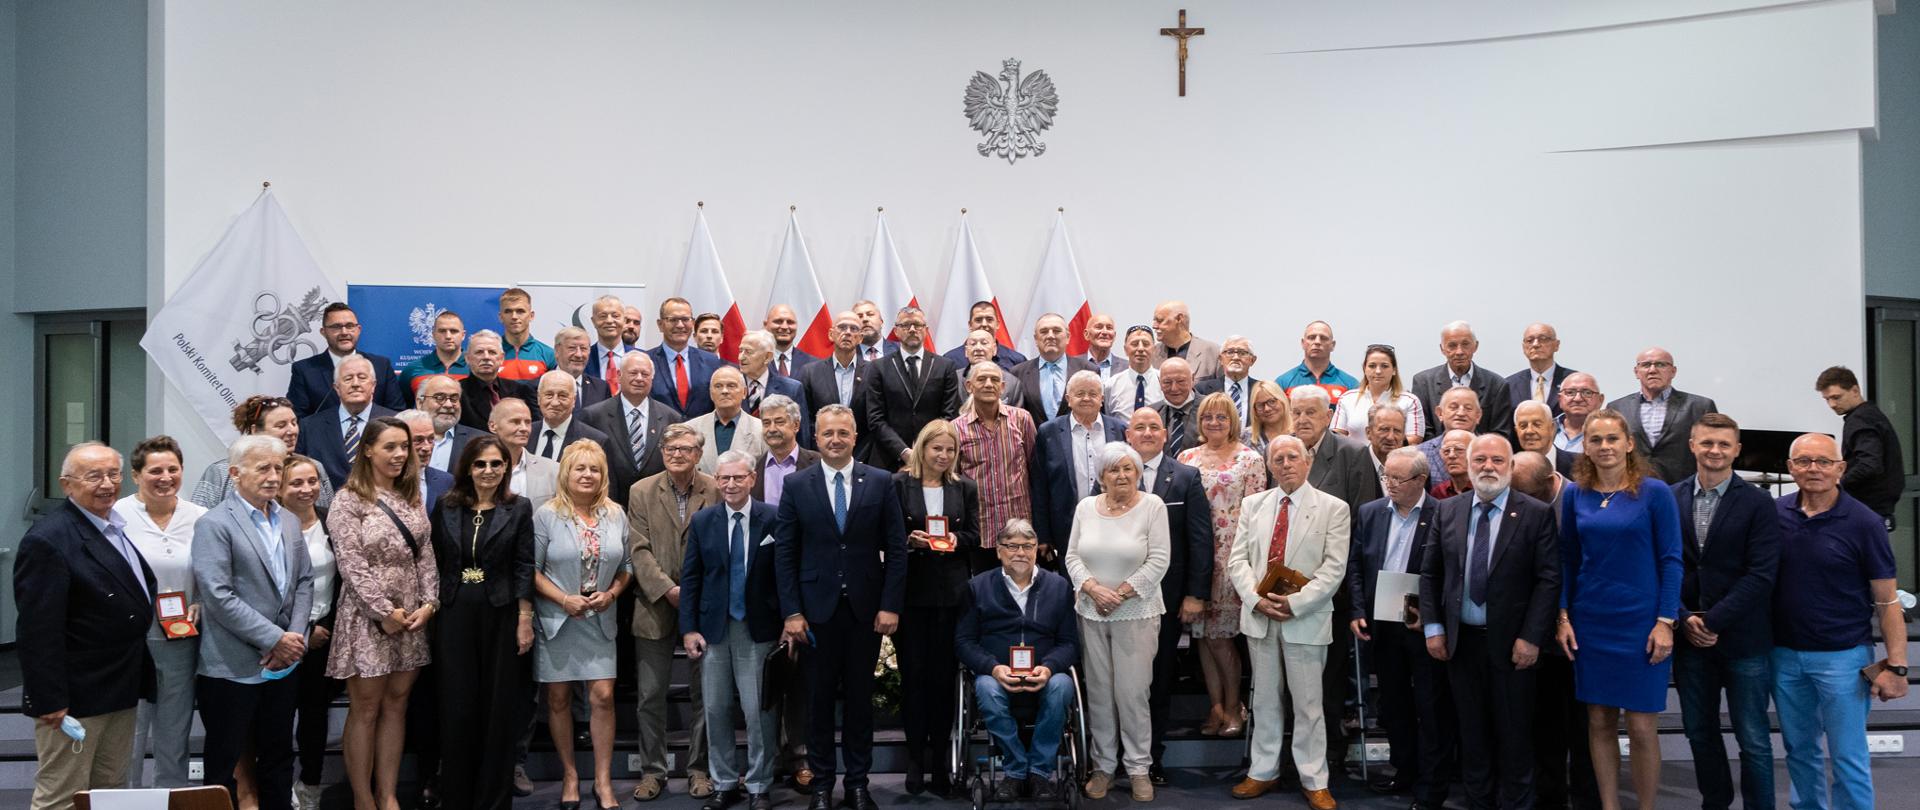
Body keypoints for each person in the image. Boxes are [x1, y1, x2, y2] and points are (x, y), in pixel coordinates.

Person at [774, 404, 909, 810]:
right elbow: (785, 552)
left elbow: (897, 550)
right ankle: (821, 787)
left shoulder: (881, 481)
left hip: (866, 612)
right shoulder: (797, 485)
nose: (835, 439)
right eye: (828, 433)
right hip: (815, 613)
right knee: (816, 704)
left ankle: (857, 784)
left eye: (843, 433)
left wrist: (890, 605)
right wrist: (792, 611)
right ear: (816, 437)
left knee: (859, 702)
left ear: (854, 437)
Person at [1420, 434, 1560, 810]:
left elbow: (1549, 580)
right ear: (1468, 466)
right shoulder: (1447, 511)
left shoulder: (1535, 513)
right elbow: (1430, 574)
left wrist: (1532, 638)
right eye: (1479, 460)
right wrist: (1434, 628)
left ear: (1511, 467)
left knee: (1515, 737)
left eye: (1497, 461)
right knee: (1473, 736)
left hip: (1514, 647)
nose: (1488, 467)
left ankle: (1517, 804)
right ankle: (1479, 802)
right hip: (1460, 644)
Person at [1771, 433, 1907, 810]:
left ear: (1841, 469)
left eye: (1823, 461)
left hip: (1844, 659)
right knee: (1799, 752)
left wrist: (1897, 664)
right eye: (1803, 461)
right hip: (1783, 656)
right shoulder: (1774, 514)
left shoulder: (1865, 523)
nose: (1813, 469)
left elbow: (1887, 599)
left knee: (1848, 757)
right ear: (1790, 468)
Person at [17, 443, 157, 810]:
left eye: (113, 474)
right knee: (62, 796)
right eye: (94, 475)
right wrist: (49, 698)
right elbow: (37, 630)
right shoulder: (49, 540)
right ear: (66, 484)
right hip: (74, 698)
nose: (107, 483)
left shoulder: (113, 526)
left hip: (119, 687)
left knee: (109, 792)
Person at [1555, 408, 1682, 810]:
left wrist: (1665, 622)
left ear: (1629, 444)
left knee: (1643, 726)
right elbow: (1568, 559)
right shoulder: (1575, 493)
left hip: (1642, 622)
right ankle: (1609, 806)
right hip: (1591, 621)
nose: (1605, 446)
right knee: (1599, 720)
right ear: (1585, 446)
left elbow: (1671, 560)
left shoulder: (1655, 492)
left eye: (1613, 438)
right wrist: (1563, 616)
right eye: (1596, 439)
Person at [192, 435, 315, 810]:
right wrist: (275, 639)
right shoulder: (214, 524)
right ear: (234, 474)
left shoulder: (289, 520)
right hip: (231, 665)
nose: (273, 476)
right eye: (263, 468)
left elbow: (304, 581)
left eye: (278, 468)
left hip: (283, 665)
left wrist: (294, 638)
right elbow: (217, 595)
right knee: (223, 762)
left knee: (278, 756)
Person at [1227, 436, 1350, 810]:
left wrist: (1294, 604)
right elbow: (1238, 561)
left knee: (1309, 704)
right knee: (1264, 700)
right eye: (1277, 458)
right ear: (1269, 465)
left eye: (1292, 456)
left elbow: (1334, 569)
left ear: (1307, 460)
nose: (1285, 464)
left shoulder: (1334, 508)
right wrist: (1256, 598)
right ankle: (1262, 771)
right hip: (1260, 617)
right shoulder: (1254, 504)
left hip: (1306, 618)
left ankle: (1314, 779)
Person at [326, 416, 438, 810]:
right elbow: (351, 564)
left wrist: (429, 604)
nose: (399, 454)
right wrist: (382, 611)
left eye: (403, 447)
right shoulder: (348, 499)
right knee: (367, 707)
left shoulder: (410, 496)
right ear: (368, 450)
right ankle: (362, 797)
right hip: (366, 618)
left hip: (410, 617)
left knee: (397, 704)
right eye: (390, 447)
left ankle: (388, 794)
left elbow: (425, 554)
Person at [1672, 414, 1780, 810]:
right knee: (1699, 732)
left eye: (1723, 444)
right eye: (1707, 443)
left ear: (1736, 450)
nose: (1714, 451)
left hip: (1743, 639)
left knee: (1752, 737)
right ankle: (1714, 803)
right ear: (1692, 445)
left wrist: (1712, 620)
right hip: (1688, 639)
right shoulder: (1670, 497)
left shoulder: (1759, 503)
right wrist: (1685, 618)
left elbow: (1762, 574)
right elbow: (1662, 566)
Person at [429, 435, 535, 810]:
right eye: (480, 464)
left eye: (496, 463)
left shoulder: (518, 508)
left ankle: (493, 800)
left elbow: (524, 564)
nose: (488, 471)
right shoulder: (446, 506)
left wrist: (525, 618)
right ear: (467, 468)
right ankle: (456, 797)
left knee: (498, 708)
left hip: (501, 613)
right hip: (454, 613)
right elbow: (436, 561)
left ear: (506, 467)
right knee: (457, 706)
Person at [1347, 447, 1452, 809]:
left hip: (1425, 626)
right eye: (1386, 476)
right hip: (1382, 622)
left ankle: (1431, 786)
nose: (1389, 484)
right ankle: (1403, 769)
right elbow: (1357, 566)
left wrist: (1431, 611)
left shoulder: (1443, 513)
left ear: (1421, 480)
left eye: (1397, 478)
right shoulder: (1371, 512)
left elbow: (1449, 573)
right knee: (1393, 705)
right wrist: (1357, 609)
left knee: (1430, 706)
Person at [1065, 442, 1169, 802]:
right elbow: (1072, 557)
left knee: (1132, 693)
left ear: (1138, 473)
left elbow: (1159, 561)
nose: (1121, 475)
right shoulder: (1085, 508)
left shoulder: (1152, 507)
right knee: (1099, 693)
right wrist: (1094, 589)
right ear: (1102, 476)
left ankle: (1139, 768)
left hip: (1136, 614)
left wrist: (1120, 593)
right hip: (1091, 612)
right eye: (1114, 470)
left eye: (1128, 469)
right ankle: (1103, 767)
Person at [533, 440, 634, 810]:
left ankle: (603, 781)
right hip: (558, 619)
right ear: (566, 473)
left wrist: (612, 594)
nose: (587, 475)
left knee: (603, 697)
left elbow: (627, 568)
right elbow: (532, 570)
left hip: (600, 618)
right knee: (558, 699)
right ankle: (571, 775)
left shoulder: (616, 514)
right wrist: (563, 599)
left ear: (603, 474)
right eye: (580, 468)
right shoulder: (546, 515)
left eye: (594, 469)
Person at [681, 451, 783, 810]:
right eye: (724, 478)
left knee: (759, 712)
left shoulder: (772, 517)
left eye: (738, 478)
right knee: (716, 709)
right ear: (716, 480)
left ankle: (758, 784)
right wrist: (689, 628)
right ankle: (724, 782)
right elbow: (691, 579)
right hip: (713, 630)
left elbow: (784, 574)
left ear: (752, 479)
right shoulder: (703, 521)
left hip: (758, 628)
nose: (730, 485)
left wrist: (790, 620)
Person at [954, 519, 1081, 802]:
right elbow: (964, 642)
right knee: (985, 688)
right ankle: (1015, 770)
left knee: (1062, 686)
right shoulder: (977, 587)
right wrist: (993, 668)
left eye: (1027, 546)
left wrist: (1048, 668)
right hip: (996, 672)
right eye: (1012, 546)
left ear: (1037, 549)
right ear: (999, 551)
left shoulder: (1058, 587)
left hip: (1045, 672)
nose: (1020, 552)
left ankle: (1039, 770)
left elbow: (1070, 644)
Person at [1119, 407, 1211, 784]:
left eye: (1153, 427)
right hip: (1118, 598)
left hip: (1167, 599)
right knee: (1120, 682)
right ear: (1128, 435)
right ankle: (1114, 756)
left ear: (1164, 434)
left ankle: (1151, 758)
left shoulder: (1186, 477)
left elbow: (1200, 540)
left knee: (1157, 680)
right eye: (1138, 427)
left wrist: (1195, 594)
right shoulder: (1113, 473)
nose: (1146, 432)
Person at [626, 424, 717, 802]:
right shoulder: (641, 490)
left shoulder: (715, 488)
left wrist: (692, 593)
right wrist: (667, 589)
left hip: (705, 607)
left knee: (706, 694)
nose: (675, 454)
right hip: (654, 604)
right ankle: (653, 771)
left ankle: (699, 769)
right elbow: (638, 548)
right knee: (650, 694)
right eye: (669, 448)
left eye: (684, 448)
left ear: (698, 453)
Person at [892, 420, 982, 796]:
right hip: (911, 595)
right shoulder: (897, 485)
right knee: (914, 679)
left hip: (950, 595)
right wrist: (910, 540)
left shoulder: (965, 487)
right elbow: (886, 533)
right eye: (937, 449)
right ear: (922, 449)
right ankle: (915, 759)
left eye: (950, 450)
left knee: (943, 682)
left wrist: (945, 541)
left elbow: (975, 537)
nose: (943, 456)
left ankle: (942, 763)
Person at [117, 436, 209, 789]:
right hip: (132, 641)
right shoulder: (118, 515)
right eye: (155, 470)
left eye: (173, 469)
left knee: (175, 729)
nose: (165, 477)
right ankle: (126, 800)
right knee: (130, 734)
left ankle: (171, 796)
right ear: (136, 475)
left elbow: (211, 570)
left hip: (181, 637)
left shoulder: (200, 517)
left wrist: (201, 599)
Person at [1177, 393, 1266, 739]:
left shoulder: (1250, 459)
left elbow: (1258, 515)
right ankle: (1214, 707)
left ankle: (1234, 706)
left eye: (1222, 417)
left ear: (1233, 421)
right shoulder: (1186, 457)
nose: (1215, 423)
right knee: (1201, 637)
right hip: (1196, 556)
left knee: (1222, 639)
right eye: (1208, 417)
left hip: (1232, 558)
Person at [281, 454, 343, 810]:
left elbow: (343, 581)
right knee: (275, 718)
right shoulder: (270, 524)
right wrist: (301, 630)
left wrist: (324, 628)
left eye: (312, 482)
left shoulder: (329, 521)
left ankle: (311, 785)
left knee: (314, 717)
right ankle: (274, 785)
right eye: (297, 483)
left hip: (323, 638)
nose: (306, 489)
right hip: (280, 639)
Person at [1032, 372, 1128, 569]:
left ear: (1102, 399)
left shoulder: (1118, 429)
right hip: (1066, 528)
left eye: (1093, 393)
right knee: (1071, 586)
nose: (1086, 398)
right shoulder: (1048, 432)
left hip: (1114, 524)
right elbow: (1039, 485)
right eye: (1080, 393)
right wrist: (1043, 535)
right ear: (1068, 399)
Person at [954, 361, 1039, 568]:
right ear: (969, 386)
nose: (988, 384)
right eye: (981, 379)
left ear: (1002, 387)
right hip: (981, 528)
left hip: (1019, 527)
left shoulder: (1022, 419)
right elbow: (955, 482)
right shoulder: (956, 428)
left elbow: (1035, 472)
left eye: (994, 380)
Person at [194, 395, 337, 509]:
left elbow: (329, 518)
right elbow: (198, 522)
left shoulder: (314, 467)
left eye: (294, 423)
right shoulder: (221, 472)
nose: (292, 431)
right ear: (255, 431)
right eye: (281, 425)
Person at [866, 306, 962, 472]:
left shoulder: (945, 366)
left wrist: (926, 451)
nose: (912, 329)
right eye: (905, 325)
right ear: (896, 331)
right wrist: (903, 452)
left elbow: (949, 414)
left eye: (917, 325)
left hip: (934, 459)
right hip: (889, 459)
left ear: (926, 330)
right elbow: (875, 418)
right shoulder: (878, 367)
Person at [1606, 347, 1717, 483]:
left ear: (1673, 371)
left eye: (1661, 364)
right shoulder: (1616, 408)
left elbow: (1712, 451)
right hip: (1630, 489)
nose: (1653, 370)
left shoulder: (1700, 406)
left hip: (1683, 490)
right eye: (1646, 365)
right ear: (1636, 372)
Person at [1816, 365, 1906, 529]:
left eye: (1837, 397)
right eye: (1827, 399)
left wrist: (1836, 482)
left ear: (1855, 390)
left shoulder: (1861, 420)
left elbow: (1869, 464)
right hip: (1875, 507)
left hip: (1868, 508)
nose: (1832, 404)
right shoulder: (1870, 415)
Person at [583, 353, 683, 500]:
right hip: (609, 505)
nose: (639, 378)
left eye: (645, 374)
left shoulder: (671, 418)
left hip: (656, 505)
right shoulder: (594, 416)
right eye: (633, 373)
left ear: (652, 378)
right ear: (618, 375)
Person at [296, 354, 398, 488]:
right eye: (348, 379)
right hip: (326, 507)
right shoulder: (310, 426)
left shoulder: (395, 422)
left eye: (362, 378)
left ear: (373, 385)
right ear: (337, 388)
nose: (355, 384)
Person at [289, 302, 408, 417]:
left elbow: (396, 414)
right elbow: (298, 419)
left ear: (358, 330)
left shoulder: (381, 366)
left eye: (350, 326)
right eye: (336, 327)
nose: (344, 332)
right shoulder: (305, 370)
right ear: (323, 332)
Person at [1409, 321, 1512, 440]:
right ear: (1442, 348)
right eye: (1452, 345)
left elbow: (1500, 433)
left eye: (1465, 344)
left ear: (1475, 346)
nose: (1459, 352)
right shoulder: (1423, 382)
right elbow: (1424, 430)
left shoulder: (1497, 385)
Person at [795, 311, 873, 460]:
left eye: (854, 329)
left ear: (861, 338)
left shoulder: (874, 371)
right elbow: (806, 420)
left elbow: (875, 420)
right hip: (821, 457)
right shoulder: (810, 372)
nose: (848, 333)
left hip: (864, 459)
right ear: (831, 334)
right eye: (842, 327)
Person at [1295, 385, 1381, 507]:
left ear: (1328, 416)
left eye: (1310, 413)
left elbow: (1362, 513)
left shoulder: (1353, 453)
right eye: (1297, 413)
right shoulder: (1278, 450)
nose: (1302, 420)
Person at [1011, 313, 1095, 428]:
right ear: (1036, 339)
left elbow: (1094, 413)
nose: (1050, 336)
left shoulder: (1088, 370)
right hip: (1035, 444)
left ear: (1068, 337)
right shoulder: (1018, 373)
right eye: (1044, 331)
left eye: (1056, 331)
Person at [647, 296, 726, 417]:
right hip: (661, 434)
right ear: (660, 324)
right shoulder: (646, 361)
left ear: (693, 323)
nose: (680, 325)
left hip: (701, 434)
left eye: (685, 319)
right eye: (673, 320)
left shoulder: (711, 362)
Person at [1332, 343, 1425, 440]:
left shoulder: (1410, 401)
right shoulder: (1347, 398)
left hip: (1394, 455)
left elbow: (1413, 440)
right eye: (1372, 366)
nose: (1378, 371)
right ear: (1364, 369)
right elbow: (1336, 437)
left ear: (1394, 370)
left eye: (1384, 366)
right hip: (1354, 455)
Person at [688, 366, 766, 475]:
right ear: (711, 393)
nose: (724, 391)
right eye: (718, 386)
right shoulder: (690, 429)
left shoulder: (761, 430)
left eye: (731, 386)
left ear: (744, 392)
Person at [458, 330, 540, 432]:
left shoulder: (520, 390)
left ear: (501, 358)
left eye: (492, 352)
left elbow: (535, 427)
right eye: (479, 352)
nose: (486, 357)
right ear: (467, 358)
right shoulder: (457, 392)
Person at [529, 370, 613, 465]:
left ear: (574, 400)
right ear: (539, 398)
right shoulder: (525, 434)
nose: (555, 402)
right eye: (549, 395)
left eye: (562, 396)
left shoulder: (596, 441)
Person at [493, 398, 560, 505]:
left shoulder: (553, 470)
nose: (524, 428)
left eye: (528, 422)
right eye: (515, 422)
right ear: (493, 426)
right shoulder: (478, 468)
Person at [416, 375, 488, 474]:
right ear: (420, 403)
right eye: (440, 397)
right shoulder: (403, 437)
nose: (448, 405)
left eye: (454, 398)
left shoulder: (481, 441)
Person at [1504, 323, 1577, 417]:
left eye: (1543, 339)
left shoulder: (1574, 381)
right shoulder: (1509, 384)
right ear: (1523, 347)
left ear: (1556, 345)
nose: (1536, 344)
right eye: (1529, 341)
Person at [1276, 320, 1358, 401]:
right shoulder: (1283, 382)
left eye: (1323, 338)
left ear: (1332, 345)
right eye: (1311, 337)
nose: (1317, 342)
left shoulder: (1350, 384)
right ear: (1303, 343)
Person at [1417, 386, 1482, 483]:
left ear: (1478, 415)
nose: (1461, 413)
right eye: (1453, 407)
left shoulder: (1492, 450)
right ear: (1440, 413)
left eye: (1468, 408)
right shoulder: (1420, 453)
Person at [940, 300, 1027, 372]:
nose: (984, 324)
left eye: (989, 319)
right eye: (978, 320)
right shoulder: (950, 359)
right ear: (970, 325)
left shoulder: (1017, 360)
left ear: (997, 324)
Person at [1148, 300, 1222, 381]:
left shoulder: (1213, 353)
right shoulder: (1151, 355)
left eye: (1160, 320)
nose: (1154, 326)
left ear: (1179, 319)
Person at [400, 310, 471, 393]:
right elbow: (403, 405)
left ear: (463, 335)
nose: (448, 336)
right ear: (433, 335)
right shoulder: (412, 369)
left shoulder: (474, 367)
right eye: (442, 331)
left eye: (453, 331)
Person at [397, 409, 457, 508]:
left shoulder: (446, 482)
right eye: (418, 440)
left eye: (431, 439)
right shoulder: (383, 481)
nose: (427, 447)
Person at [957, 328, 1028, 410]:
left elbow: (1017, 418)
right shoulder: (954, 379)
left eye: (984, 343)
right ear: (966, 351)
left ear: (994, 349)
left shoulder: (1012, 382)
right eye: (973, 344)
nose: (978, 348)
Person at [497, 288, 557, 382]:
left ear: (531, 316)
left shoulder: (549, 355)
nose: (514, 317)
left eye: (520, 311)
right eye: (508, 311)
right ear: (500, 317)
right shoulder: (489, 354)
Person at [1105, 325, 1164, 419]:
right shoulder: (1111, 385)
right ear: (1125, 350)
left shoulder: (1164, 381)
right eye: (1134, 344)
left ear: (1154, 349)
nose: (1140, 349)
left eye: (1146, 344)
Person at [584, 295, 639, 391]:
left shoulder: (641, 357)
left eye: (615, 316)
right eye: (603, 316)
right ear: (593, 321)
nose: (609, 321)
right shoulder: (583, 359)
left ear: (624, 320)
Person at [554, 326, 614, 414]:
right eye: (572, 348)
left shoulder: (601, 388)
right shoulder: (538, 386)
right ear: (557, 351)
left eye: (583, 349)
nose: (579, 354)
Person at [1515, 400, 1580, 477]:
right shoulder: (1510, 469)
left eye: (1537, 424)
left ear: (1552, 428)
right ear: (1516, 431)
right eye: (1523, 426)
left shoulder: (1579, 464)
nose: (1529, 431)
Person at [1156, 357, 1202, 458]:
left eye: (1181, 381)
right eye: (1167, 382)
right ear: (1159, 383)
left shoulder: (1211, 409)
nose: (1174, 388)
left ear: (1193, 379)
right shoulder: (1153, 413)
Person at [1213, 336, 1261, 427]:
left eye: (1242, 353)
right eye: (1230, 352)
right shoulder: (1203, 390)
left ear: (1252, 360)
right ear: (1220, 359)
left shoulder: (1261, 390)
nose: (1235, 357)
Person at [1245, 380, 1295, 461]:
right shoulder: (1247, 437)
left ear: (1282, 400)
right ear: (1254, 410)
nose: (1267, 409)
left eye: (1272, 402)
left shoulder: (1301, 432)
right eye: (1260, 405)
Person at [763, 304, 819, 376]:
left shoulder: (814, 365)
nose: (784, 327)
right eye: (778, 321)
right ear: (765, 325)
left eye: (790, 322)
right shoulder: (754, 362)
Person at [1555, 372, 1602, 452]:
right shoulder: (1545, 428)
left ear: (1600, 400)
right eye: (1570, 392)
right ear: (1559, 399)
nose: (1578, 399)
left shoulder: (1610, 432)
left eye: (1587, 393)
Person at [1363, 403, 1409, 479]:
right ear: (1368, 432)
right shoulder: (1354, 466)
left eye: (1397, 431)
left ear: (1404, 435)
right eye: (1384, 429)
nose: (1390, 437)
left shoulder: (1412, 470)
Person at [1430, 430, 1474, 500]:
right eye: (1446, 451)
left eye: (1459, 450)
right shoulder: (1438, 492)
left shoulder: (1483, 490)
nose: (1451, 455)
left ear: (1474, 454)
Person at [1083, 313, 1120, 379]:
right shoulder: (1071, 365)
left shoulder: (1127, 367)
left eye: (1109, 328)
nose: (1105, 332)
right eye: (1098, 327)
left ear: (1114, 336)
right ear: (1086, 334)